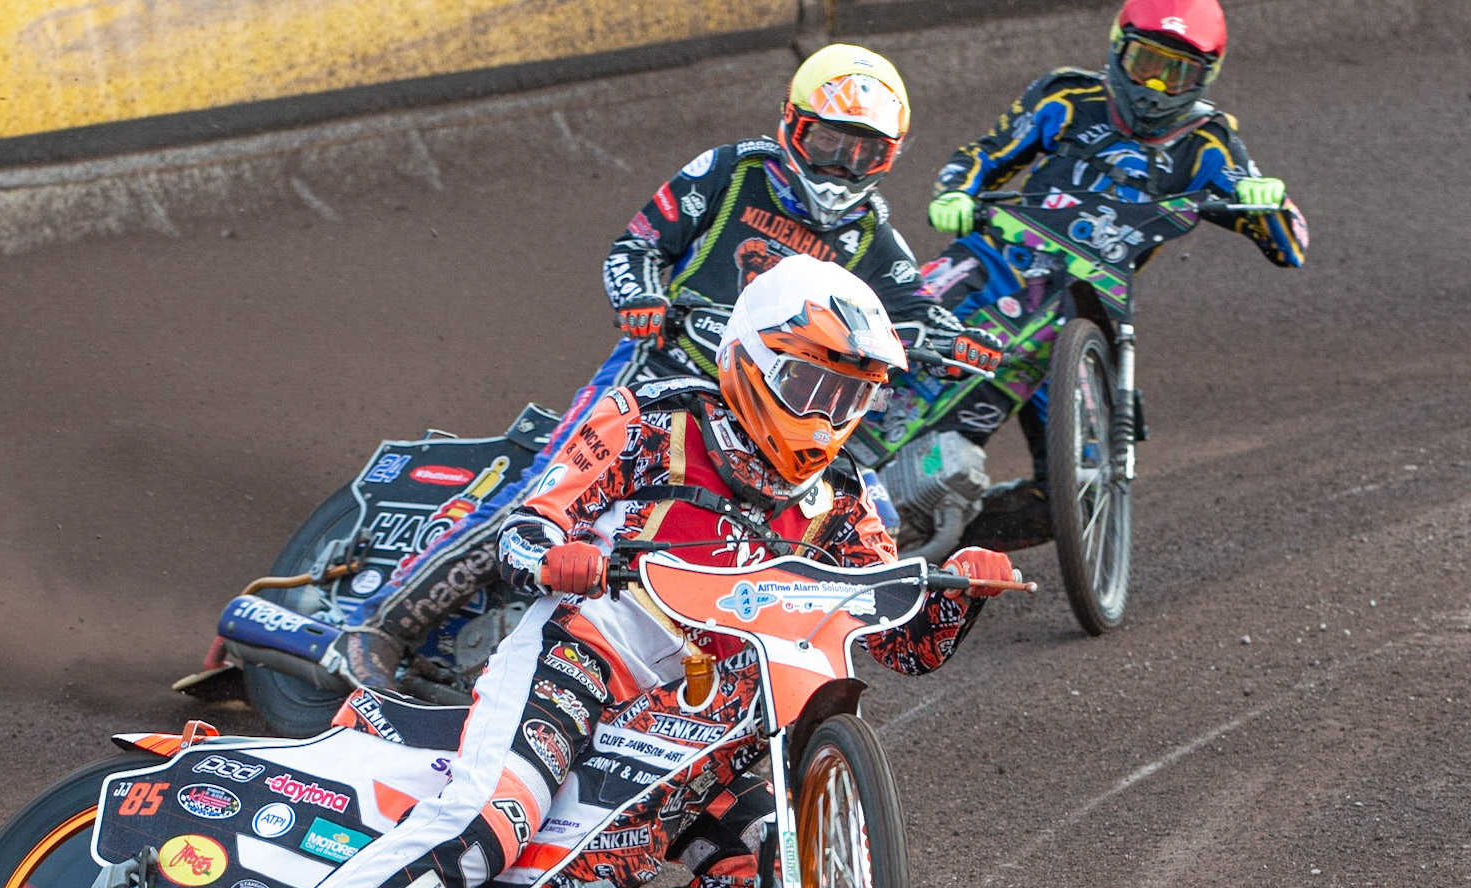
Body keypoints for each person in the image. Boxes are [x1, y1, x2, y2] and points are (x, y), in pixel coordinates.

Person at [201, 256, 1016, 888]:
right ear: (751, 362)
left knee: (773, 885)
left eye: (849, 396)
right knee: (486, 826)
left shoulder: (845, 496)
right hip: (584, 660)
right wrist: (556, 555)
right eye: (810, 383)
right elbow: (529, 519)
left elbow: (903, 643)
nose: (827, 413)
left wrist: (967, 589)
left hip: (719, 720)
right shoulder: (646, 418)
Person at [327, 43, 1001, 693]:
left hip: (762, 414)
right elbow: (638, 243)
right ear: (792, 126)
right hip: (658, 372)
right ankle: (379, 630)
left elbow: (911, 312)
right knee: (539, 498)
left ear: (890, 157)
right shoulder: (729, 172)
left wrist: (960, 341)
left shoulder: (870, 236)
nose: (842, 167)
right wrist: (642, 296)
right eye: (829, 144)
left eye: (866, 153)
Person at [913, 0, 1307, 529]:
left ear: (1205, 78)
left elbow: (1290, 245)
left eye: (1177, 74)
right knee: (899, 340)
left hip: (1085, 311)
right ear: (1118, 47)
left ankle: (948, 541)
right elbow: (983, 154)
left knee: (1080, 495)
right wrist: (955, 192)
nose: (1155, 88)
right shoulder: (1067, 96)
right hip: (996, 260)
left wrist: (1268, 199)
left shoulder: (1208, 143)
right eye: (1147, 64)